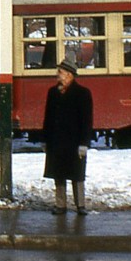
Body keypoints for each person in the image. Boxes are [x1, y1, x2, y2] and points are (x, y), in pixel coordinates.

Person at [42, 59, 93, 215]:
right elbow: (48, 117)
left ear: (69, 75)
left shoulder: (83, 93)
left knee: (77, 174)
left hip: (74, 141)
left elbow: (86, 120)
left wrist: (84, 143)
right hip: (56, 140)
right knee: (59, 173)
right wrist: (45, 139)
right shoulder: (53, 92)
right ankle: (60, 205)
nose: (57, 75)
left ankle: (80, 205)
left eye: (60, 72)